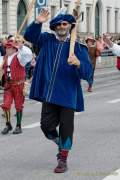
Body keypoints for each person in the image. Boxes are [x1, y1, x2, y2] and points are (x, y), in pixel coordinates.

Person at [24, 9, 92, 173]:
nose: (61, 26)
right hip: (49, 93)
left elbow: (88, 73)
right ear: (54, 27)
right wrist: (38, 22)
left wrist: (78, 64)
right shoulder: (46, 40)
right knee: (46, 127)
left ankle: (63, 159)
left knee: (66, 127)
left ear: (69, 26)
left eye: (65, 23)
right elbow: (29, 37)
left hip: (68, 94)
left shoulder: (78, 47)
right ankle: (61, 145)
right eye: (58, 24)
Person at [0, 39, 33, 135]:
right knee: (5, 105)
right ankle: (8, 124)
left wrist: (21, 47)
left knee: (18, 106)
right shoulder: (4, 58)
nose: (7, 49)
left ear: (14, 49)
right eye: (6, 47)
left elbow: (28, 55)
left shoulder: (20, 57)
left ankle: (18, 126)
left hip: (19, 85)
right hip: (8, 85)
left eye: (9, 47)